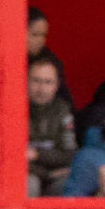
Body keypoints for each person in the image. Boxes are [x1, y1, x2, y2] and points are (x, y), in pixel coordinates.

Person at [27, 55, 77, 197]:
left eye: (48, 82)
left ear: (56, 85)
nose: (41, 88)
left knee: (70, 185)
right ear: (25, 81)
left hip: (55, 178)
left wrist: (36, 154)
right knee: (28, 184)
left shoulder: (63, 111)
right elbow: (12, 160)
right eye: (36, 81)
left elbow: (69, 154)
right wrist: (47, 174)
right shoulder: (14, 108)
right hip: (30, 176)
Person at [26, 7, 72, 107]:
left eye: (44, 35)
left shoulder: (51, 62)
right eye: (35, 34)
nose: (41, 40)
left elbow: (64, 98)